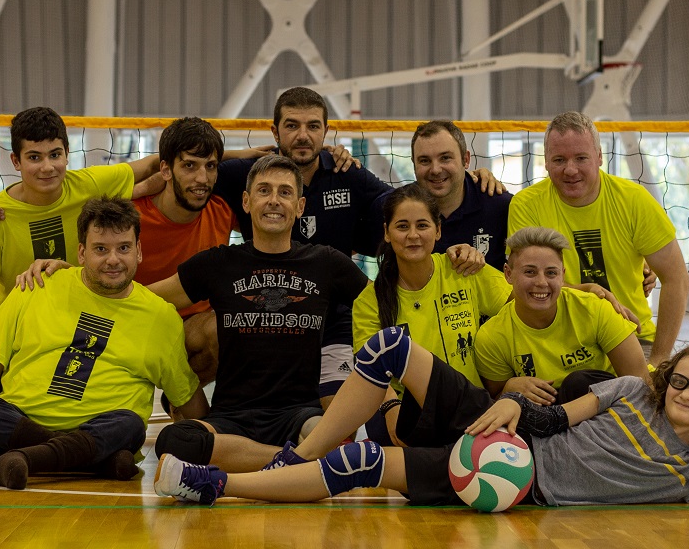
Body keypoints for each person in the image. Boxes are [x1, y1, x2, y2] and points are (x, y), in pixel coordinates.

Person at [154, 333, 689, 508]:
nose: (686, 393)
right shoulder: (633, 389)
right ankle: (293, 460)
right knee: (389, 347)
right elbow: (557, 421)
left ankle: (214, 484)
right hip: (511, 431)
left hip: (513, 483)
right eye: (682, 379)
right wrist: (518, 404)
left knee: (360, 466)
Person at [216, 89, 504, 399]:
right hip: (266, 311)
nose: (303, 135)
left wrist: (463, 178)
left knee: (337, 414)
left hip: (334, 317)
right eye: (291, 126)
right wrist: (235, 155)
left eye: (313, 126)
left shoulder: (346, 172)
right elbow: (186, 168)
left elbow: (407, 205)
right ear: (275, 132)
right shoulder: (246, 174)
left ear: (325, 131)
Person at [0, 106, 162, 447]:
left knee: (67, 414)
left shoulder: (87, 185)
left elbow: (157, 163)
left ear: (67, 154)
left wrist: (239, 156)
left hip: (69, 325)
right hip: (15, 336)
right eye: (34, 157)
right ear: (16, 161)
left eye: (55, 155)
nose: (47, 167)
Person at [0, 196, 208, 487]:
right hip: (29, 422)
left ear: (139, 251)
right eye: (100, 249)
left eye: (124, 248)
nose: (113, 259)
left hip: (101, 427)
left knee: (128, 426)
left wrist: (212, 433)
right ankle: (92, 462)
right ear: (81, 252)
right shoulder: (37, 284)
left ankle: (26, 460)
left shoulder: (161, 317)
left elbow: (185, 395)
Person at [147, 155, 370, 472]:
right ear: (247, 202)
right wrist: (76, 276)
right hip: (230, 416)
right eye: (264, 191)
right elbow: (145, 298)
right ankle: (291, 462)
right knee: (173, 442)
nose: (274, 201)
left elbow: (384, 300)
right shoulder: (218, 263)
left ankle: (253, 459)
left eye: (285, 192)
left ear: (300, 205)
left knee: (333, 440)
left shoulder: (326, 262)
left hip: (298, 415)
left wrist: (448, 261)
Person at [6, 117, 235, 386]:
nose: (202, 178)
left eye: (211, 166)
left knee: (229, 325)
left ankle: (191, 411)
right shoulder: (125, 217)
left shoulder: (224, 209)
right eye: (189, 166)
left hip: (188, 331)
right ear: (165, 169)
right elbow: (48, 206)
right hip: (125, 325)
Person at [507, 111, 689, 365]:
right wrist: (590, 292)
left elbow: (676, 279)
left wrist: (659, 359)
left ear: (600, 157)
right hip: (560, 344)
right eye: (559, 159)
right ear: (546, 162)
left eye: (581, 158)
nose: (570, 170)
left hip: (633, 337)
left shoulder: (633, 200)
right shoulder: (526, 205)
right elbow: (524, 283)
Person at [351, 185, 511, 445]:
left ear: (438, 230)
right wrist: (391, 409)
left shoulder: (463, 269)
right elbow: (369, 373)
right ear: (387, 233)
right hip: (412, 414)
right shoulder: (369, 302)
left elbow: (524, 304)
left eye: (422, 226)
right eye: (402, 226)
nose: (413, 235)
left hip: (474, 409)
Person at [474, 227, 649, 406]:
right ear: (508, 274)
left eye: (551, 273)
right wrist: (509, 388)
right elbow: (495, 404)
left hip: (612, 404)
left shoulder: (594, 308)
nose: (541, 282)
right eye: (530, 272)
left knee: (578, 383)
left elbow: (640, 385)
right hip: (548, 414)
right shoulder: (491, 337)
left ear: (562, 275)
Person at [367, 120, 513, 268]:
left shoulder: (502, 206)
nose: (435, 169)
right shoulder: (390, 207)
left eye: (445, 158)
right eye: (424, 160)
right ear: (414, 165)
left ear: (466, 160)